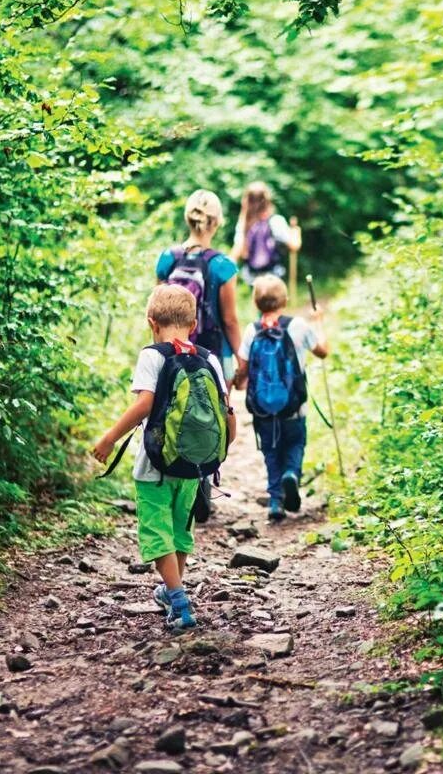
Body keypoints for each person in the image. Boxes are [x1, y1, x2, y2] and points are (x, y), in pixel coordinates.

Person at [93, 285, 236, 632]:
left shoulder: (152, 356)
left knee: (157, 532)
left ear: (151, 322)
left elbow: (144, 403)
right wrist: (223, 448)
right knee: (179, 529)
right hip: (193, 465)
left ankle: (179, 601)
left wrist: (109, 438)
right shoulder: (210, 358)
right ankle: (172, 589)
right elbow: (226, 408)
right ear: (194, 322)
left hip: (153, 467)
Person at [233, 275, 328, 522]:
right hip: (294, 409)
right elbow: (322, 351)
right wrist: (318, 322)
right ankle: (292, 475)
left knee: (270, 452)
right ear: (285, 301)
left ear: (255, 303)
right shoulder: (297, 326)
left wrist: (238, 383)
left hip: (263, 411)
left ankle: (275, 502)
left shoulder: (251, 330)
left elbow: (242, 370)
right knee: (295, 445)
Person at [156, 190, 242, 384]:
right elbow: (229, 321)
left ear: (188, 218)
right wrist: (243, 361)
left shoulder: (167, 258)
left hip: (173, 354)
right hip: (215, 356)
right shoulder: (223, 265)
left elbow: (157, 312)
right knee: (218, 412)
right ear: (217, 221)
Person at [231, 181, 302, 285]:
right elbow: (294, 245)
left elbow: (237, 253)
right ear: (268, 200)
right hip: (274, 277)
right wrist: (296, 232)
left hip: (252, 280)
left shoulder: (244, 225)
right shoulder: (276, 221)